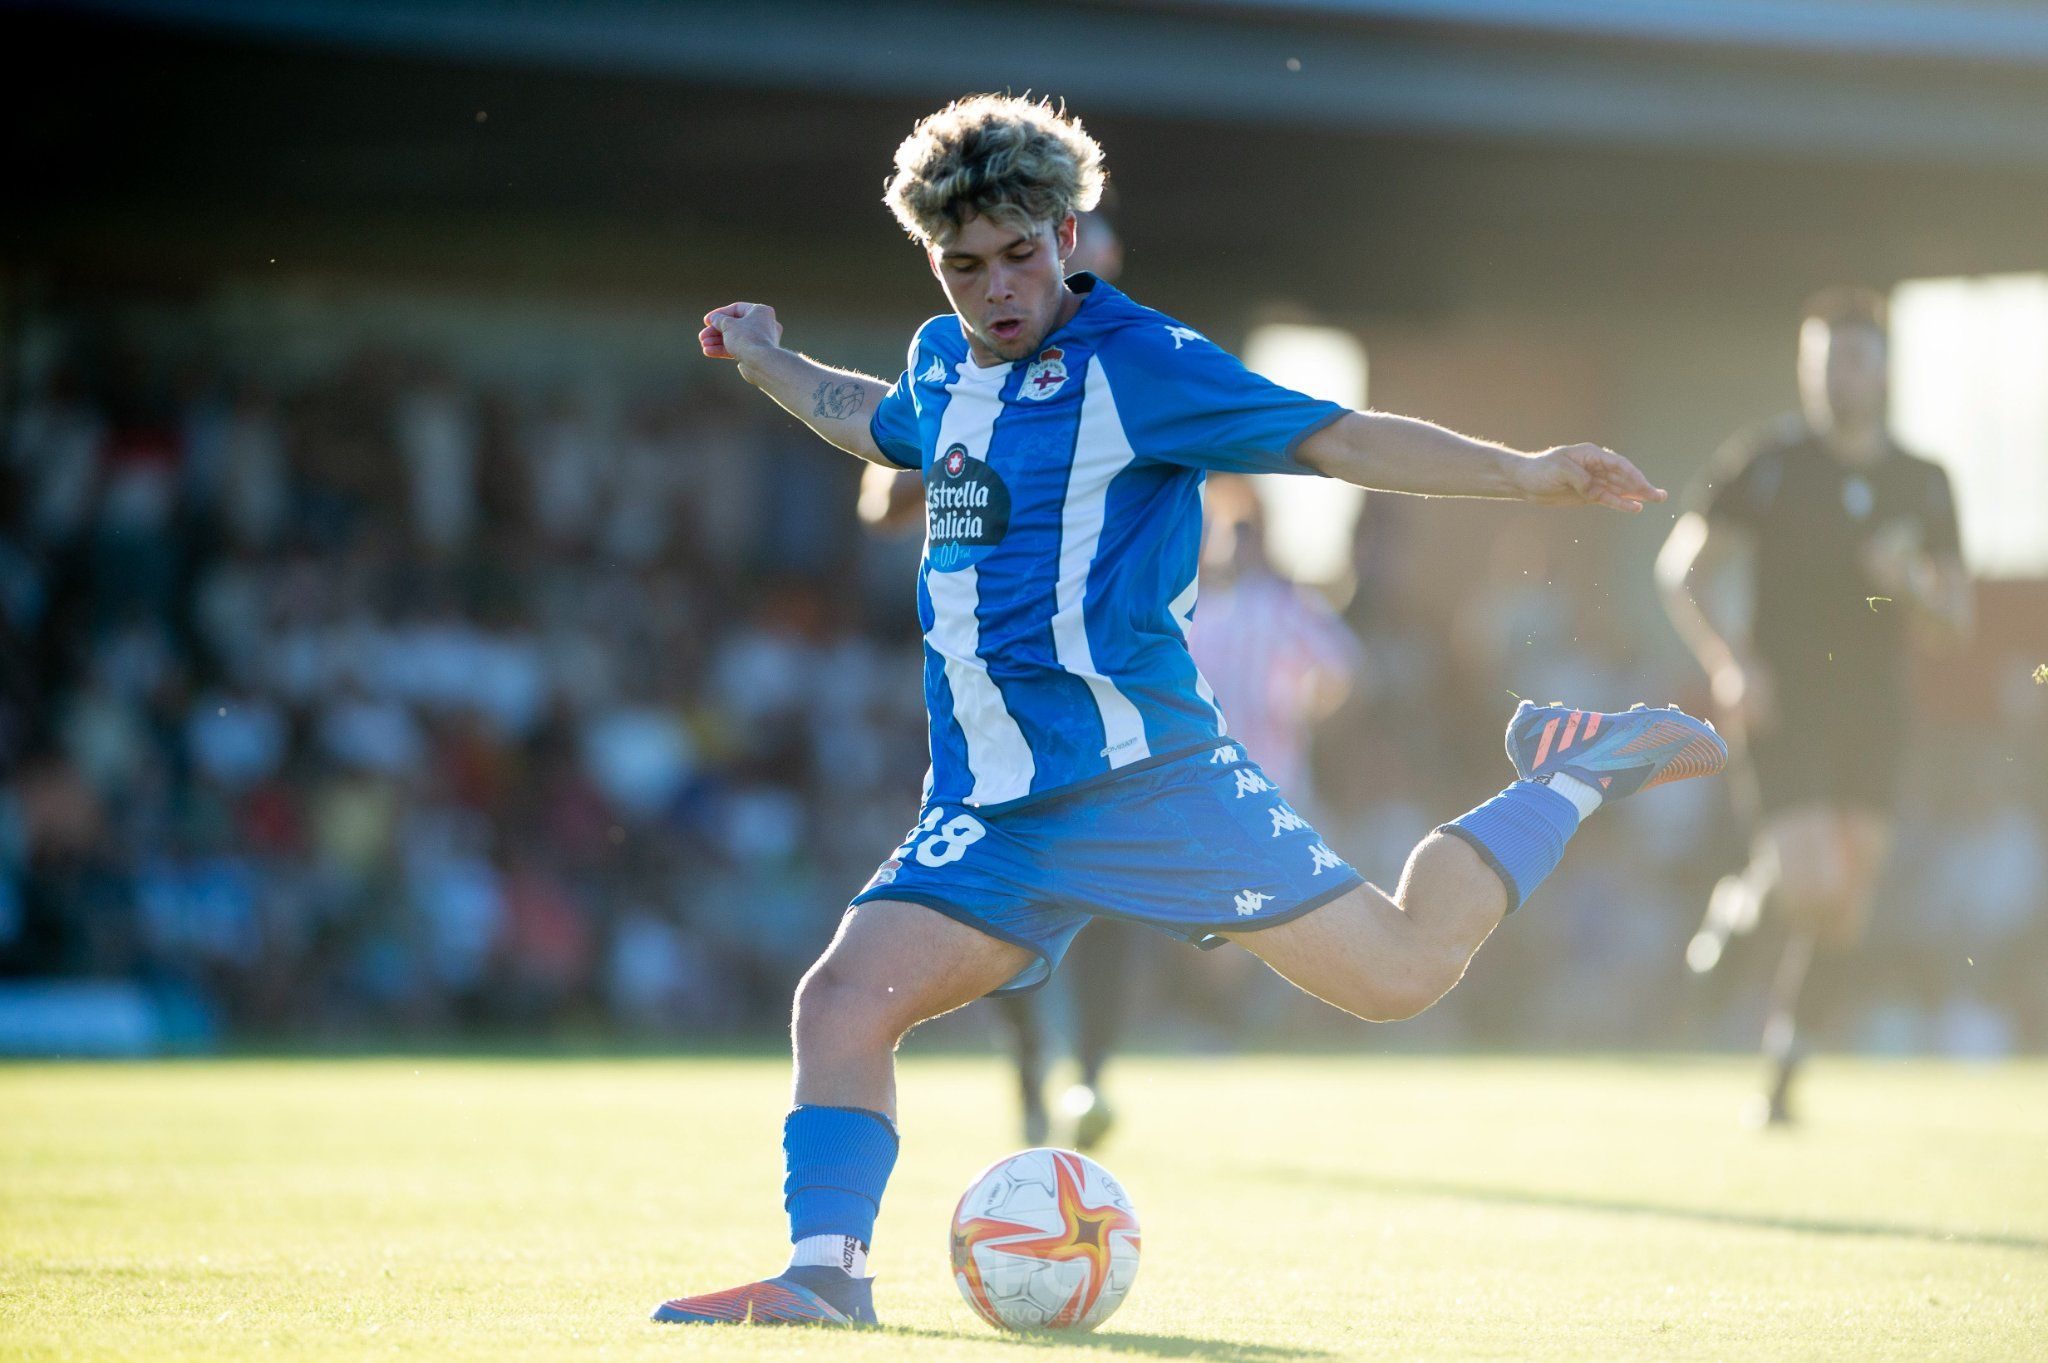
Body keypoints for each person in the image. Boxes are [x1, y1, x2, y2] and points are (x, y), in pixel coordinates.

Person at [657, 94, 1724, 1327]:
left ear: (1067, 234)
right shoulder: (941, 361)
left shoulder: (1143, 366)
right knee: (840, 1002)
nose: (994, 288)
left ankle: (1567, 771)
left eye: (1018, 254)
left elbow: (1337, 438)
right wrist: (766, 358)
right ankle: (825, 1274)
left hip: (1151, 781)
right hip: (992, 807)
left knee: (1399, 974)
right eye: (963, 266)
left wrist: (1523, 474)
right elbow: (872, 423)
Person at [1657, 287, 1969, 1127]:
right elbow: (1681, 567)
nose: (1838, 378)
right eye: (1824, 362)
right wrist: (1732, 662)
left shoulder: (1924, 482)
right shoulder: (1768, 462)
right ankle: (1741, 905)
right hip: (1783, 700)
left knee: (1847, 897)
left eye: (1854, 360)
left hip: (1875, 712)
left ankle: (1787, 1061)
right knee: (1811, 878)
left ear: (1884, 371)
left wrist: (1909, 584)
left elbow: (1956, 620)